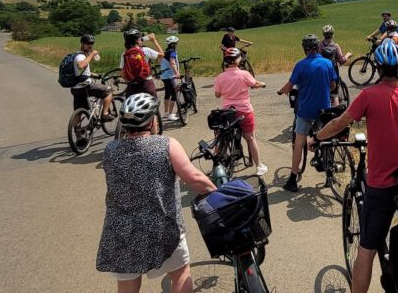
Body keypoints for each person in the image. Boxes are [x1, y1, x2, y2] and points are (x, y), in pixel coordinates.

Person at [312, 39, 398, 293]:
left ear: (376, 67)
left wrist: (317, 138)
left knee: (367, 249)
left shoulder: (368, 96)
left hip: (381, 183)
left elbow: (340, 122)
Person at [96, 93, 216, 293]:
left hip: (121, 231)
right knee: (180, 274)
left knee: (127, 286)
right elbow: (194, 178)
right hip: (162, 228)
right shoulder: (165, 145)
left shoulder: (110, 150)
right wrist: (218, 192)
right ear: (152, 121)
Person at [276, 34, 336, 192]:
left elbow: (289, 86)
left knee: (299, 142)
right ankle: (330, 174)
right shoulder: (328, 63)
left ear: (304, 49)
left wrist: (280, 91)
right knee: (326, 137)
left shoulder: (300, 65)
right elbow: (332, 85)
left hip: (306, 110)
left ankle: (293, 178)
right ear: (318, 47)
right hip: (324, 109)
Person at [214, 47, 268, 176]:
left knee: (222, 136)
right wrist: (262, 84)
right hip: (244, 111)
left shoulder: (220, 77)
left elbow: (217, 95)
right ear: (238, 60)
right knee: (250, 137)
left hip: (227, 112)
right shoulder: (244, 74)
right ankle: (259, 166)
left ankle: (216, 165)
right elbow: (254, 84)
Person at [70, 34, 114, 119]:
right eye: (88, 43)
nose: (90, 45)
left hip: (76, 88)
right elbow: (81, 65)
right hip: (85, 87)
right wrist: (92, 54)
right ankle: (105, 114)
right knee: (108, 91)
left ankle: (77, 130)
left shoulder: (77, 54)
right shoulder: (80, 56)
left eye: (91, 43)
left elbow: (80, 72)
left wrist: (94, 75)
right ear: (82, 44)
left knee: (79, 111)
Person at [317, 25, 352, 106]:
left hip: (321, 71)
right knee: (334, 93)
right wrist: (347, 55)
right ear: (333, 34)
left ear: (323, 34)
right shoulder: (335, 46)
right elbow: (341, 61)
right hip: (333, 71)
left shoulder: (320, 45)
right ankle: (335, 112)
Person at [159, 35, 182, 122]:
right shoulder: (172, 52)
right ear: (174, 44)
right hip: (169, 76)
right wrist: (177, 73)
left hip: (164, 75)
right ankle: (170, 114)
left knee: (167, 94)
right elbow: (173, 63)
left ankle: (166, 113)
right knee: (174, 95)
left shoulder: (166, 51)